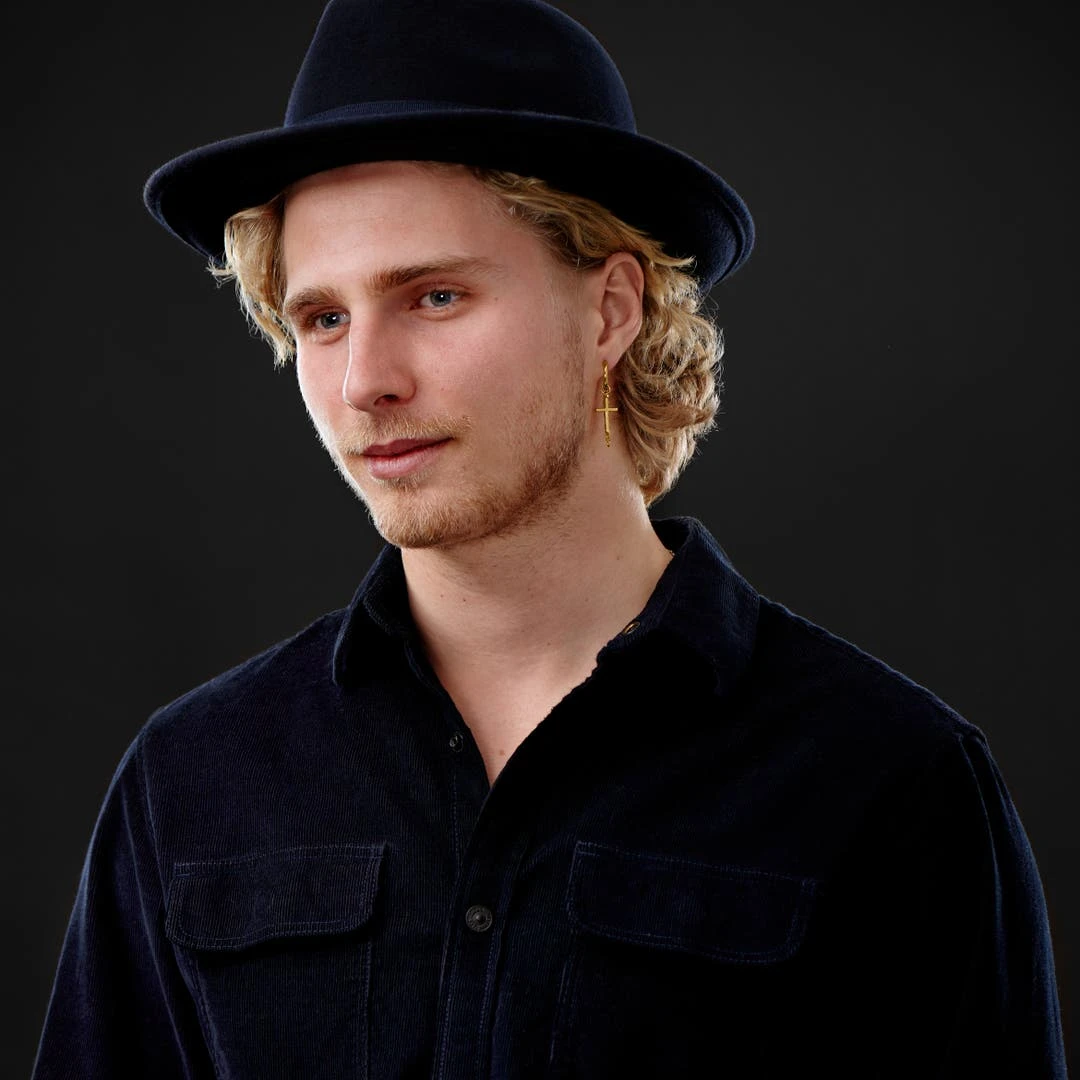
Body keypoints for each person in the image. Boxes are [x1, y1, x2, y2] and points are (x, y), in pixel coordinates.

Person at [34, 0, 1067, 1076]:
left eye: (435, 296)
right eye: (323, 319)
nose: (364, 381)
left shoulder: (890, 780)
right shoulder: (190, 780)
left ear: (611, 310)